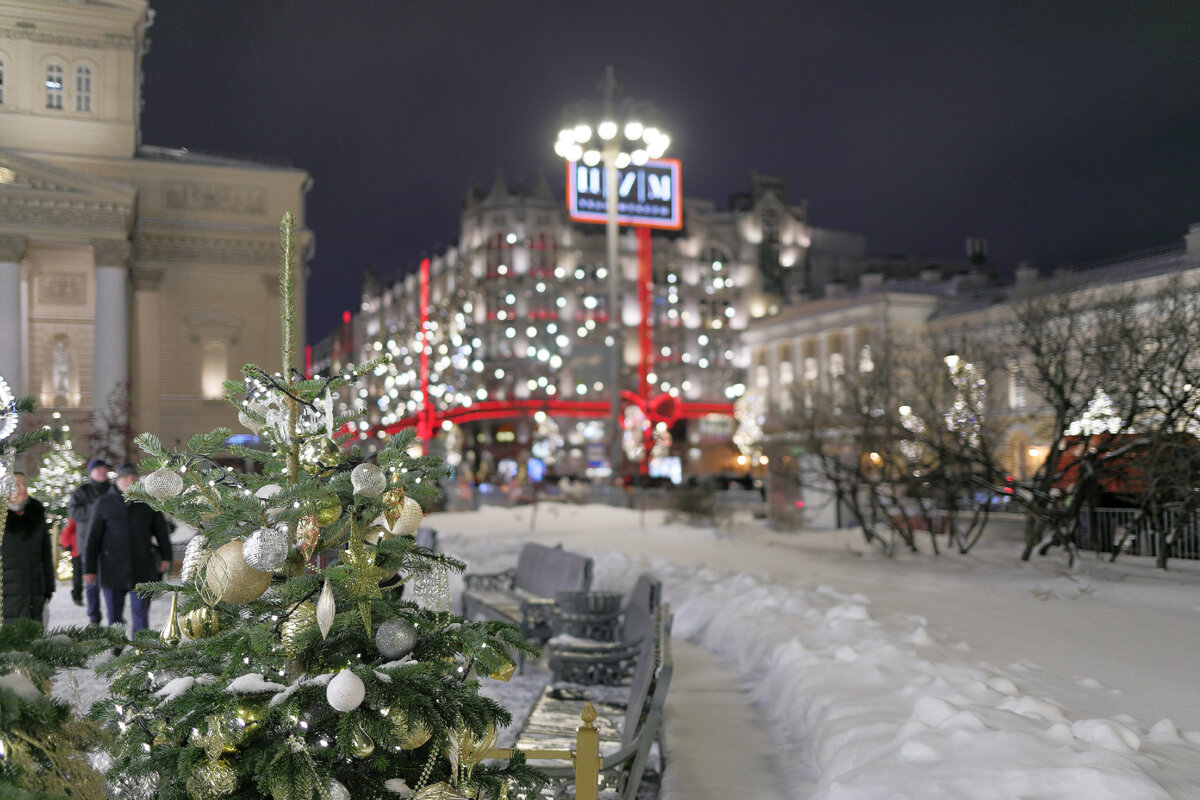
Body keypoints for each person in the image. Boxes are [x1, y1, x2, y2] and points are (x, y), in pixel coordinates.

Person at [83, 464, 172, 635]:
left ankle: (141, 645)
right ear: (117, 481)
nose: (130, 481)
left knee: (141, 611)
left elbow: (162, 533)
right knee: (114, 614)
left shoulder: (148, 503)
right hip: (112, 568)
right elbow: (92, 539)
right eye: (125, 478)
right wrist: (90, 569)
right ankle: (117, 644)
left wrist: (166, 557)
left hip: (142, 566)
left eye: (133, 478)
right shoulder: (103, 503)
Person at [3, 472, 55, 625]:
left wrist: (48, 586)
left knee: (33, 641)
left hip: (34, 593)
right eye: (16, 485)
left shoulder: (36, 513)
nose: (22, 488)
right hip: (6, 596)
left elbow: (46, 554)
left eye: (24, 484)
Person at [68, 457, 111, 623]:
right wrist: (95, 510)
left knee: (111, 584)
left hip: (111, 545)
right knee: (91, 583)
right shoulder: (82, 491)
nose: (101, 471)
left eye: (103, 468)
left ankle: (114, 615)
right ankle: (94, 617)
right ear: (91, 472)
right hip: (89, 545)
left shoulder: (114, 489)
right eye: (97, 469)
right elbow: (73, 512)